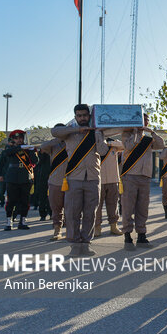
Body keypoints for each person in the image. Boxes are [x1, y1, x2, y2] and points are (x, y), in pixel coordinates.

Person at [52, 104, 109, 256]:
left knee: (91, 213)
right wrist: (77, 129)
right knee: (72, 213)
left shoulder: (97, 132)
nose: (83, 118)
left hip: (93, 178)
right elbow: (54, 132)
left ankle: (86, 243)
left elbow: (103, 151)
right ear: (75, 117)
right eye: (79, 115)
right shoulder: (70, 133)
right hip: (73, 178)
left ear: (89, 116)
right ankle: (74, 245)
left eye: (85, 115)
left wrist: (98, 134)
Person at [120, 113, 165, 249]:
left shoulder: (148, 138)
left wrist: (152, 133)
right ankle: (127, 236)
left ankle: (141, 236)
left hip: (145, 177)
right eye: (143, 120)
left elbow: (161, 145)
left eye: (147, 121)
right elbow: (129, 147)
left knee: (142, 208)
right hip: (130, 176)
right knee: (128, 207)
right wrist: (135, 131)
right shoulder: (127, 134)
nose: (145, 123)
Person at [0, 130, 38, 230]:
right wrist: (20, 147)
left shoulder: (28, 148)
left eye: (20, 138)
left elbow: (35, 161)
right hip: (12, 178)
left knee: (25, 201)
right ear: (13, 139)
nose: (19, 140)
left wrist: (32, 150)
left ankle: (23, 221)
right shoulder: (11, 148)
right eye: (16, 138)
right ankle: (9, 221)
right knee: (11, 201)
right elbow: (5, 154)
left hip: (25, 178)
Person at [40, 126, 67, 240]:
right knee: (56, 207)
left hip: (72, 179)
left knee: (73, 208)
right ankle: (57, 229)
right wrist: (58, 140)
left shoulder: (73, 142)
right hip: (56, 180)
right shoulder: (53, 145)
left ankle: (72, 230)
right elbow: (42, 147)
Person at [95, 138, 124, 236]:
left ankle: (114, 226)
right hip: (99, 179)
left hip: (113, 179)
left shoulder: (113, 145)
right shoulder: (97, 142)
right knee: (97, 206)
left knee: (113, 204)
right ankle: (97, 227)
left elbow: (124, 145)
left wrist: (110, 143)